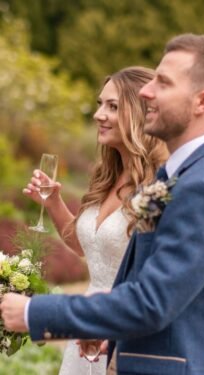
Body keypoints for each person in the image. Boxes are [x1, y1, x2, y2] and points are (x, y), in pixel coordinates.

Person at [1, 33, 204, 375]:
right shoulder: (185, 174)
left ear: (203, 102)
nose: (147, 92)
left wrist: (35, 313)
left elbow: (151, 303)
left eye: (162, 83)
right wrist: (115, 337)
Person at [17, 66, 168, 375]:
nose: (99, 114)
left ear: (140, 114)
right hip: (87, 329)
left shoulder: (158, 186)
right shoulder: (107, 175)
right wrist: (54, 203)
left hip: (126, 330)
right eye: (100, 104)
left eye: (113, 106)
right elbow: (89, 246)